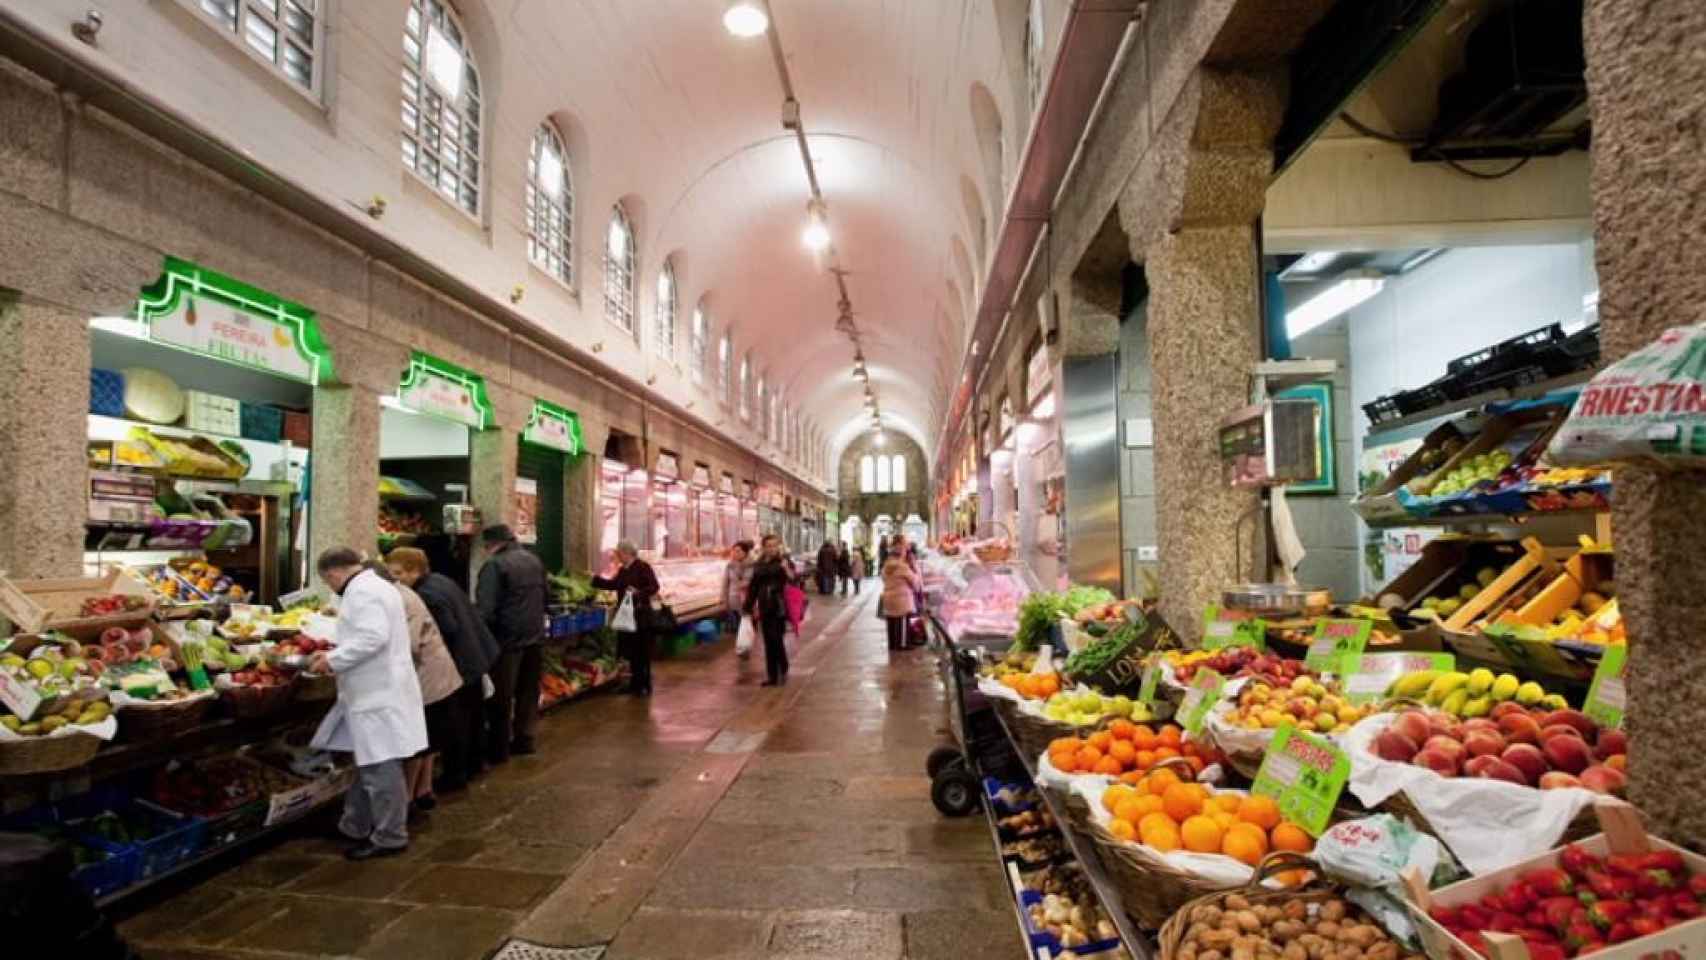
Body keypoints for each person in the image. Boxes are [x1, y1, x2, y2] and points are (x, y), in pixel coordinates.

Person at [308, 548, 427, 860]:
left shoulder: (362, 593)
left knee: (380, 766)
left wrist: (332, 659)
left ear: (332, 574)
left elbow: (372, 637)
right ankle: (354, 825)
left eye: (327, 582)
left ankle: (390, 836)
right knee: (368, 764)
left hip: (377, 693)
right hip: (378, 690)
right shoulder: (378, 586)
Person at [386, 547, 498, 793]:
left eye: (398, 573)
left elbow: (447, 627)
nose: (395, 580)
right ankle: (475, 765)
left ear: (415, 571)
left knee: (456, 723)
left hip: (460, 662)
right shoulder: (440, 580)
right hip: (476, 655)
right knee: (473, 718)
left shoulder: (426, 594)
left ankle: (455, 776)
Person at [387, 565, 462, 816]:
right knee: (428, 737)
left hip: (426, 675)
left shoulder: (402, 599)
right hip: (438, 673)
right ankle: (423, 790)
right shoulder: (415, 592)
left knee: (418, 738)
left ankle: (407, 799)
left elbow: (408, 645)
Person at [476, 524, 548, 763]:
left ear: (492, 544)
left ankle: (499, 749)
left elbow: (486, 609)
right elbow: (545, 596)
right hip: (534, 636)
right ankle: (525, 739)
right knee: (528, 691)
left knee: (501, 696)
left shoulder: (495, 565)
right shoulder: (533, 560)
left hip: (506, 640)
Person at [591, 541, 661, 696]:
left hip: (641, 617)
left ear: (626, 553)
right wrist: (594, 579)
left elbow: (654, 587)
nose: (617, 556)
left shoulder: (643, 567)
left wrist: (638, 592)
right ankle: (634, 684)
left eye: (619, 553)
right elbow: (614, 585)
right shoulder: (623, 570)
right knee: (632, 652)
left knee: (642, 652)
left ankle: (644, 685)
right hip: (627, 616)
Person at [744, 535, 792, 686]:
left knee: (776, 640)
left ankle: (782, 667)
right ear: (763, 547)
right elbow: (753, 586)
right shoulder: (759, 565)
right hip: (764, 607)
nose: (771, 548)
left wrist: (786, 570)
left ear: (778, 547)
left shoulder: (782, 563)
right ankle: (773, 675)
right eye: (768, 546)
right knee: (768, 641)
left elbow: (792, 580)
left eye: (774, 545)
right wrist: (748, 605)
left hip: (778, 607)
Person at [880, 537, 923, 652]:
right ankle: (903, 644)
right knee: (902, 622)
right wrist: (915, 567)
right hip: (901, 600)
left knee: (892, 623)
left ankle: (893, 645)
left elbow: (884, 578)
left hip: (889, 598)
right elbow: (916, 583)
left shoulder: (887, 565)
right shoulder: (902, 567)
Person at [722, 540, 753, 650]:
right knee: (738, 627)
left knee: (746, 625)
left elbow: (748, 582)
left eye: (738, 551)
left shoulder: (751, 565)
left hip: (747, 601)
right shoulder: (729, 565)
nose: (735, 553)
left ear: (745, 552)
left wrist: (741, 581)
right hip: (733, 600)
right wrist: (724, 600)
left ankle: (746, 646)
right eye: (734, 551)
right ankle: (741, 646)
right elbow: (725, 583)